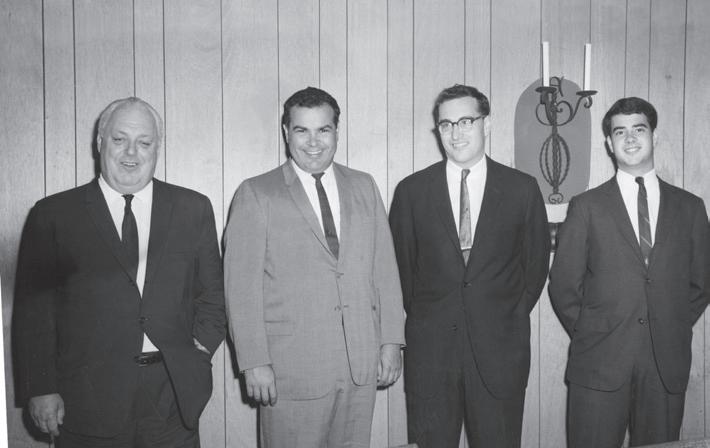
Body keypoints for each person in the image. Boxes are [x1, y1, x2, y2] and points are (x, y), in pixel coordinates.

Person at [13, 97, 226, 448]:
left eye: (144, 142)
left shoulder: (193, 208)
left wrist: (199, 351)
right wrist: (41, 386)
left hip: (172, 396)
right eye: (119, 139)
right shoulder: (53, 215)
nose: (131, 153)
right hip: (85, 399)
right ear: (100, 142)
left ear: (157, 147)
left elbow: (213, 294)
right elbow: (34, 313)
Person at [224, 86, 405, 448]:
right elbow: (240, 289)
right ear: (286, 132)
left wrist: (391, 340)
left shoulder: (364, 186)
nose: (313, 142)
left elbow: (385, 271)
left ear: (337, 131)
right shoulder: (256, 193)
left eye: (323, 129)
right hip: (291, 370)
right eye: (301, 130)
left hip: (360, 364)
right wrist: (253, 361)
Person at [389, 84, 550, 448]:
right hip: (432, 355)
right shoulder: (411, 192)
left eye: (466, 121)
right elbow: (402, 273)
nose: (455, 133)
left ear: (486, 124)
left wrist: (501, 313)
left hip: (500, 352)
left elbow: (535, 268)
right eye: (446, 124)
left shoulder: (522, 189)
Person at [549, 97, 710, 447]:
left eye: (639, 129)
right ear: (609, 143)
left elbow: (701, 283)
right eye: (620, 132)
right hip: (598, 362)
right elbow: (563, 285)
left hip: (665, 365)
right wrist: (595, 331)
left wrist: (669, 323)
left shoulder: (690, 207)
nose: (630, 138)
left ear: (654, 136)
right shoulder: (586, 206)